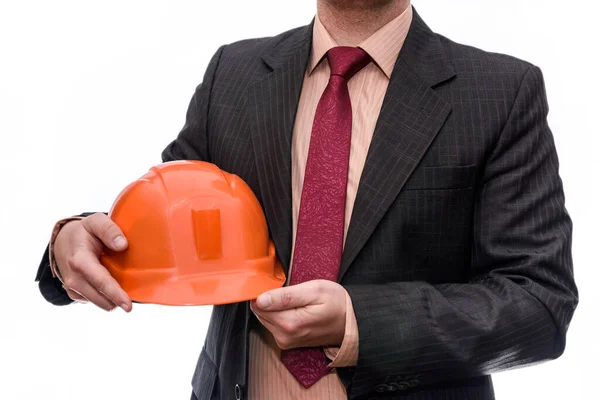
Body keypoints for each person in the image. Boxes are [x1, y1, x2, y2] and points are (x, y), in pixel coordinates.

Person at [35, 0, 578, 399]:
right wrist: (77, 239)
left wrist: (359, 322)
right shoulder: (235, 75)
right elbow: (167, 216)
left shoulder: (501, 92)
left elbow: (540, 304)